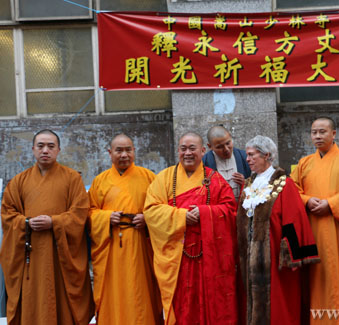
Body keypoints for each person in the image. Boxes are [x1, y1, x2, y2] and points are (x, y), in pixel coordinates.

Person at [0, 129, 94, 324]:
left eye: (51, 146)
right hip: (31, 257)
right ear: (33, 149)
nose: (45, 150)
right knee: (34, 301)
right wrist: (25, 222)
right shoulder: (18, 181)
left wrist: (54, 222)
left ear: (58, 150)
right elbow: (7, 214)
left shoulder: (72, 179)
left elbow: (80, 213)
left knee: (61, 303)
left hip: (61, 258)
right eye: (40, 146)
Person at [143, 132, 238, 324]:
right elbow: (151, 211)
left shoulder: (216, 180)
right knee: (181, 306)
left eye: (192, 148)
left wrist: (204, 213)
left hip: (208, 258)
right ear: (177, 151)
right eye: (183, 149)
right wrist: (181, 216)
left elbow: (231, 211)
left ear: (203, 151)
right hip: (176, 259)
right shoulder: (164, 178)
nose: (187, 153)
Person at [291, 117, 339, 324]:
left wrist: (331, 204)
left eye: (322, 132)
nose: (317, 136)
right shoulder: (303, 163)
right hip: (313, 233)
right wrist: (307, 201)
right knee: (317, 281)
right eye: (314, 132)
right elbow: (292, 192)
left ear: (333, 134)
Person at [237, 135, 320, 325]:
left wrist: (287, 256)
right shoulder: (248, 185)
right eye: (247, 155)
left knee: (277, 307)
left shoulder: (285, 184)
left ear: (266, 155)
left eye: (251, 155)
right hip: (248, 259)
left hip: (274, 260)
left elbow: (293, 222)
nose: (247, 159)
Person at [88, 134, 163, 324]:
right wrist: (105, 217)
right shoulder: (100, 181)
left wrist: (147, 218)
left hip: (140, 245)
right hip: (110, 248)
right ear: (110, 153)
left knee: (140, 291)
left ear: (134, 151)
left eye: (128, 150)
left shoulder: (149, 177)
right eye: (119, 150)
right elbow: (89, 213)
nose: (124, 155)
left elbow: (161, 207)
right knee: (113, 292)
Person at [202, 125, 251, 201]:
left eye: (228, 143)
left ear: (231, 138)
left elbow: (260, 186)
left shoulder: (245, 157)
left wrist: (246, 183)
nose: (226, 149)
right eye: (219, 147)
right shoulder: (205, 162)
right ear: (210, 146)